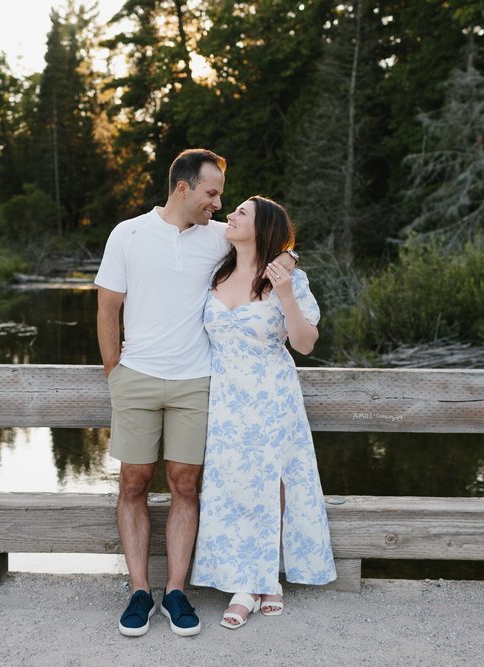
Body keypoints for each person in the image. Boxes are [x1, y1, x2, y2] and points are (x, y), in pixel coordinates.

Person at [95, 150, 298, 637]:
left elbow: (272, 250)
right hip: (137, 377)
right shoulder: (129, 234)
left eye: (222, 196)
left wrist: (288, 257)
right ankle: (140, 592)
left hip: (196, 382)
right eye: (211, 192)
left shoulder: (218, 239)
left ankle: (177, 592)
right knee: (134, 484)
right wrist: (114, 373)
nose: (218, 203)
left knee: (186, 485)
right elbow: (107, 310)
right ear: (183, 187)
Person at [189, 195, 336, 630]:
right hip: (226, 399)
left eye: (241, 213)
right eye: (230, 210)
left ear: (261, 227)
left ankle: (254, 584)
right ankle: (258, 577)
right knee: (231, 485)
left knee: (273, 485)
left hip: (272, 396)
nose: (230, 215)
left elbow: (305, 343)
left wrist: (286, 291)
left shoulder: (287, 279)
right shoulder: (216, 267)